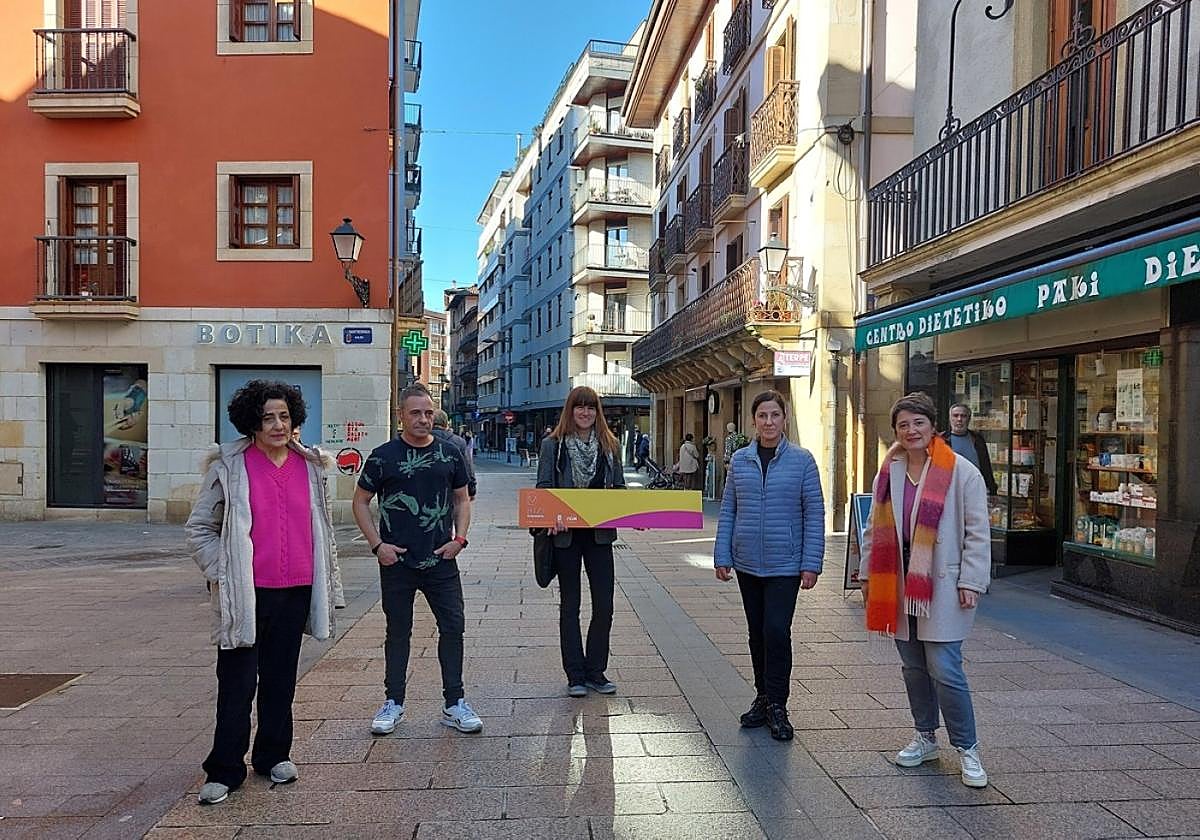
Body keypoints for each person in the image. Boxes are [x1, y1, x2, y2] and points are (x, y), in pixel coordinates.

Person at [186, 380, 343, 806]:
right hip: (246, 593)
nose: (277, 425)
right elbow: (199, 529)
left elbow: (322, 528)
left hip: (294, 590)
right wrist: (225, 571)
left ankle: (274, 755)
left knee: (280, 680)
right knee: (236, 684)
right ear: (251, 422)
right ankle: (224, 769)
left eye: (284, 416)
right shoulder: (229, 466)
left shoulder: (309, 466)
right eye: (268, 417)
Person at [861, 392, 991, 788]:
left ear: (933, 426)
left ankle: (968, 749)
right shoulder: (889, 470)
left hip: (944, 586)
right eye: (903, 424)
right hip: (898, 586)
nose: (911, 430)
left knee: (946, 668)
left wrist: (971, 580)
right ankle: (925, 737)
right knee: (914, 667)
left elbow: (977, 532)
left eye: (918, 422)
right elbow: (873, 528)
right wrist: (867, 574)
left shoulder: (962, 471)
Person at [353, 384, 481, 736]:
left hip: (442, 560)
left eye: (427, 413)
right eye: (415, 413)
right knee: (398, 631)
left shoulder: (450, 453)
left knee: (453, 627)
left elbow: (462, 499)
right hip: (397, 561)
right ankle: (393, 702)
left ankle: (454, 703)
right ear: (401, 415)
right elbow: (360, 501)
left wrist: (459, 539)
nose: (423, 419)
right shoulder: (383, 456)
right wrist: (378, 545)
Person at [714, 389, 825, 741]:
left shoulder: (802, 460)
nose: (768, 422)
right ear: (753, 421)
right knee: (756, 633)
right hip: (748, 562)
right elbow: (728, 509)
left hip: (785, 564)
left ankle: (779, 704)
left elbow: (815, 513)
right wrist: (722, 555)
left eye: (775, 415)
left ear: (785, 419)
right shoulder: (741, 462)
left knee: (777, 632)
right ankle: (762, 696)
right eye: (762, 416)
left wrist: (812, 563)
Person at [536, 385, 625, 697]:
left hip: (599, 536)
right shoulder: (553, 445)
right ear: (570, 410)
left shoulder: (610, 446)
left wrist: (632, 515)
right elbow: (543, 488)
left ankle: (595, 671)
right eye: (579, 407)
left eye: (590, 407)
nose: (585, 413)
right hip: (566, 538)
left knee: (605, 605)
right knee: (570, 605)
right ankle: (575, 674)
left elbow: (620, 491)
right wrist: (551, 516)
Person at [940, 403, 998, 495]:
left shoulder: (977, 439)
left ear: (969, 419)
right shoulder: (941, 440)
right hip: (951, 490)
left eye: (963, 416)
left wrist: (992, 490)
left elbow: (986, 466)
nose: (959, 419)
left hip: (975, 489)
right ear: (950, 418)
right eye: (955, 416)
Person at [433, 410, 477, 499]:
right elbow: (467, 466)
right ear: (446, 424)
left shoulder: (421, 439)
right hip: (452, 489)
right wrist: (471, 489)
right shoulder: (459, 441)